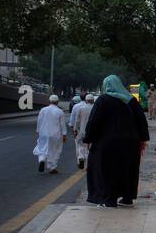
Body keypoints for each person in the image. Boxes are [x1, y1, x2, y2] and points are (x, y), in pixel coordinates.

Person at [83, 76, 149, 208]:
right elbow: (142, 121)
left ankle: (109, 200)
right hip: (131, 142)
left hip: (108, 143)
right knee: (127, 169)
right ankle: (127, 198)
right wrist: (143, 139)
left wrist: (88, 139)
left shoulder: (103, 100)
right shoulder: (131, 101)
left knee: (107, 170)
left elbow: (94, 121)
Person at [32, 95, 68, 174]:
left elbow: (39, 121)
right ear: (57, 102)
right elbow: (62, 125)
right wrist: (64, 135)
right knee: (54, 150)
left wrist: (38, 131)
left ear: (49, 101)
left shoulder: (43, 110)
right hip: (55, 134)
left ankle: (41, 159)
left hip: (43, 133)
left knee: (41, 148)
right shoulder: (60, 111)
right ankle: (52, 167)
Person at [68, 94, 94, 170]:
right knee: (89, 148)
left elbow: (77, 121)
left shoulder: (81, 108)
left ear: (86, 100)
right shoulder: (95, 108)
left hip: (81, 131)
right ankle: (88, 165)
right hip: (92, 131)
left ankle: (80, 157)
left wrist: (75, 130)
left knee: (80, 145)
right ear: (93, 100)